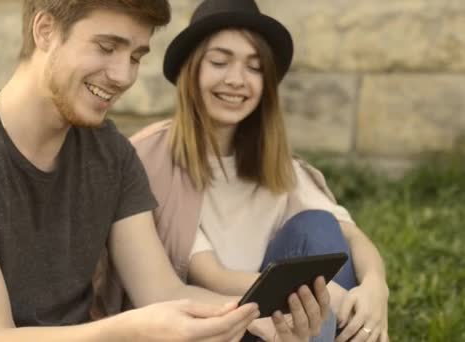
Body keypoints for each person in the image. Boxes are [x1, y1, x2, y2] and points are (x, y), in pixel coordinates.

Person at [0, 1, 332, 341]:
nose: (123, 75)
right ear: (45, 31)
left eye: (135, 56)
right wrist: (133, 330)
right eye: (107, 47)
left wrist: (257, 318)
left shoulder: (110, 153)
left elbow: (161, 292)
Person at [103, 0, 390, 341]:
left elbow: (351, 235)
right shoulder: (151, 159)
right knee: (314, 293)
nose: (236, 80)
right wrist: (322, 291)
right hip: (212, 320)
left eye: (254, 68)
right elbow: (211, 275)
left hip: (282, 316)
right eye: (220, 62)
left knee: (318, 226)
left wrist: (376, 285)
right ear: (190, 69)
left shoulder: (278, 163)